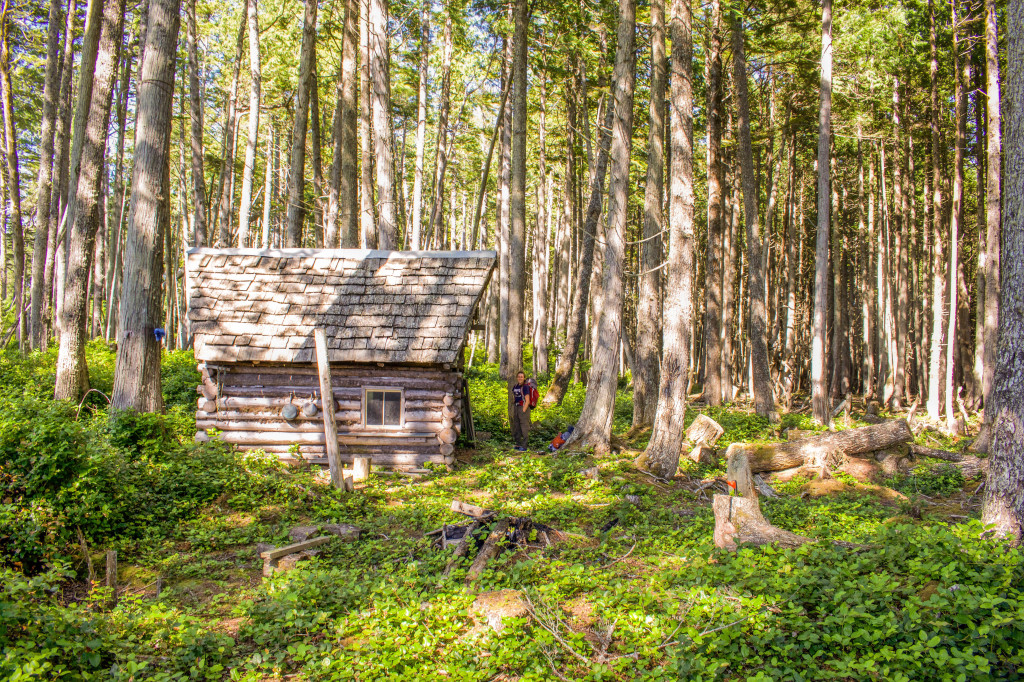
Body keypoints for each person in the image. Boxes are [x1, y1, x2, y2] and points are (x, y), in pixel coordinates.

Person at [510, 371, 532, 451]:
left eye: (521, 377)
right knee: (517, 426)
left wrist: (523, 410)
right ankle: (518, 444)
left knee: (524, 426)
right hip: (516, 407)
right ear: (517, 378)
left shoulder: (525, 387)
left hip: (523, 407)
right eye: (519, 376)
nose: (520, 378)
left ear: (524, 378)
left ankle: (524, 446)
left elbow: (527, 400)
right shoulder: (515, 386)